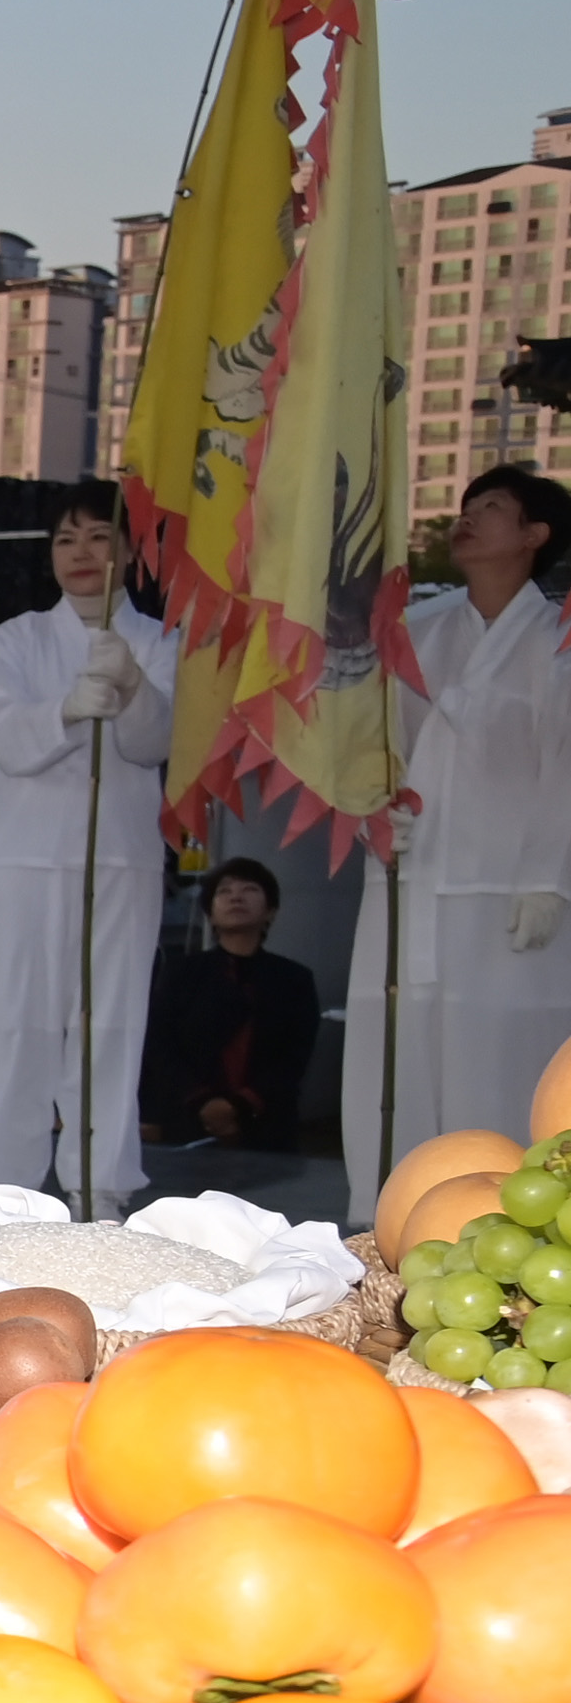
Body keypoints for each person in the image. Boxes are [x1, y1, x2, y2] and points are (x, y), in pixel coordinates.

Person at [344, 463, 571, 1211]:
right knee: (398, 1049)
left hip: (507, 889)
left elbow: (564, 761)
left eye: (493, 508)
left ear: (535, 536)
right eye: (466, 506)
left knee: (500, 1057)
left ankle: (505, 1219)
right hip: (410, 873)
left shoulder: (557, 638)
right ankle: (381, 1216)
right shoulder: (415, 632)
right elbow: (366, 741)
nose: (468, 518)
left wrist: (550, 876)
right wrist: (371, 805)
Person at [0, 482, 176, 1207]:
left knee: (109, 1019)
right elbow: (5, 737)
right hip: (26, 856)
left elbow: (158, 743)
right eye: (65, 539)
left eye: (97, 538)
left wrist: (135, 689)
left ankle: (100, 1188)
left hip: (120, 858)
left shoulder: (159, 642)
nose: (81, 554)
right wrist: (66, 709)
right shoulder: (18, 637)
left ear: (128, 551)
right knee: (11, 1016)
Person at [142, 858, 318, 1150]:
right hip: (188, 1118)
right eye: (224, 891)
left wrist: (239, 1104)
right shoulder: (181, 973)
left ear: (270, 911)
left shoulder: (293, 978)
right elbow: (160, 1045)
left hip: (266, 1122)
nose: (236, 896)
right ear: (210, 913)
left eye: (249, 889)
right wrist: (203, 1101)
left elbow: (295, 1057)